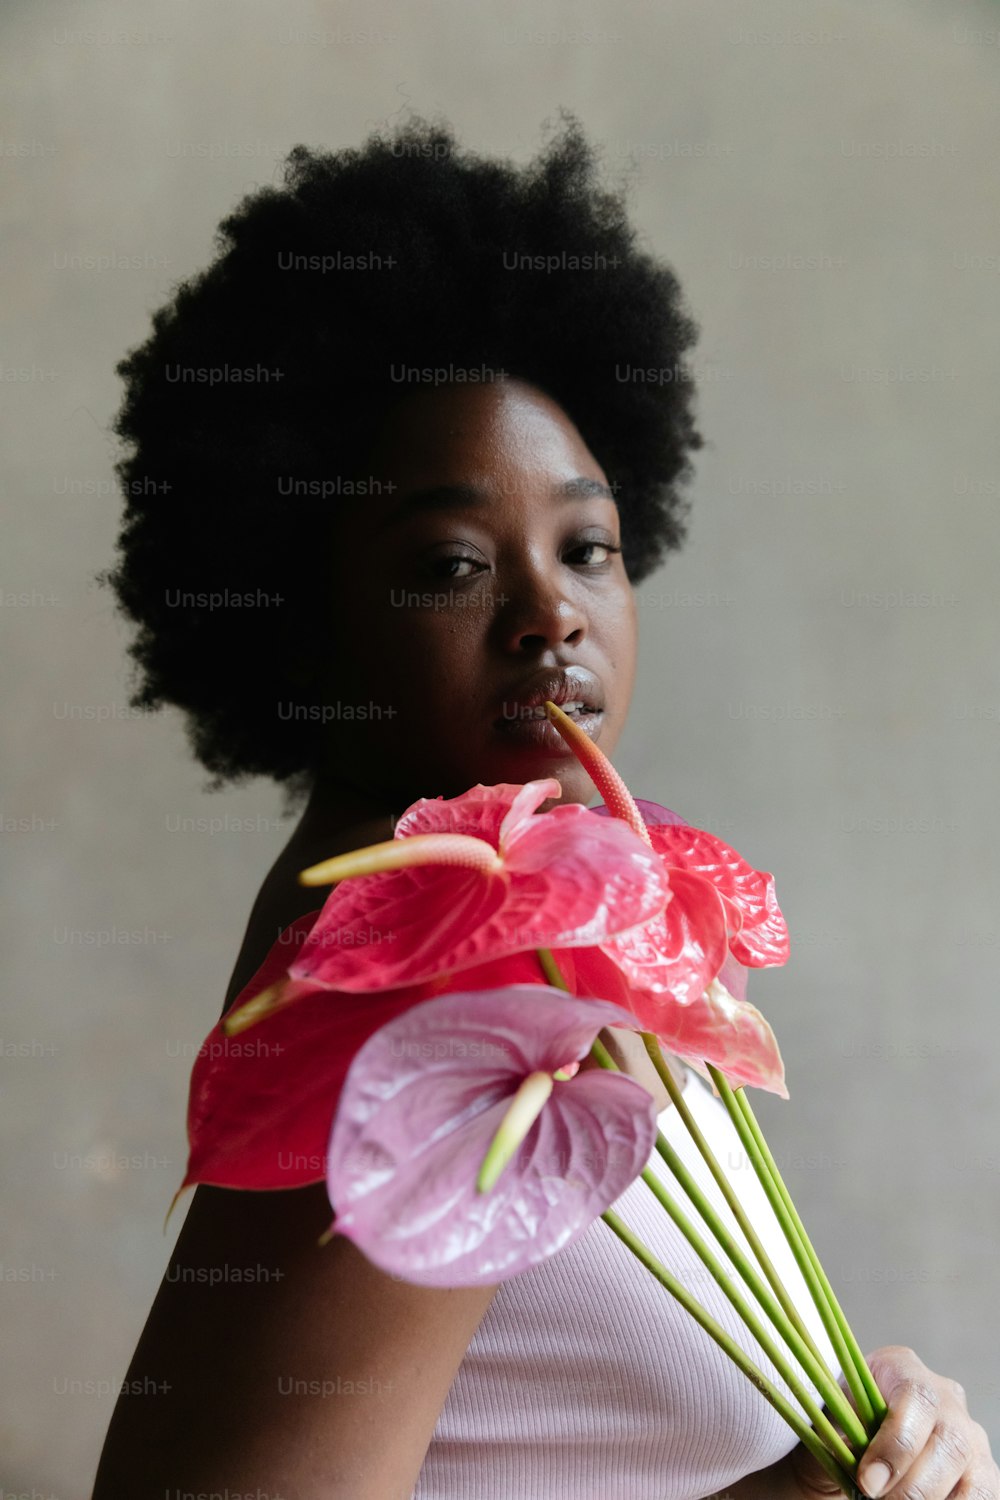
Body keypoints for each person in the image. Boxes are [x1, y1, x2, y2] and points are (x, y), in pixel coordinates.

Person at [91, 109, 997, 1500]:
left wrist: (880, 1428)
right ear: (300, 616)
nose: (549, 614)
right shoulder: (429, 979)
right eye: (452, 563)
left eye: (587, 547)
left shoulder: (548, 932)